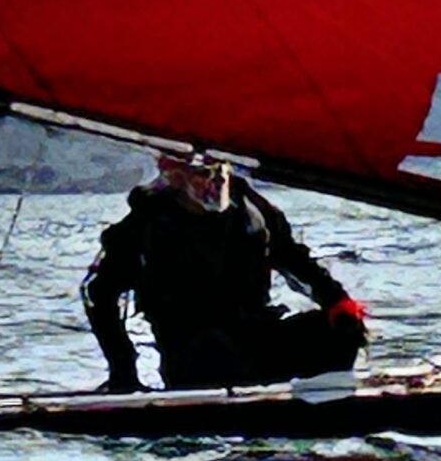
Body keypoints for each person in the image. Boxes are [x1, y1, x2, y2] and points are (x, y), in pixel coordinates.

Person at [80, 153, 369, 393]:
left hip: (257, 335)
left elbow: (294, 259)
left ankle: (326, 397)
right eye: (203, 173)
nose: (216, 182)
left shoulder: (251, 209)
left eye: (221, 172)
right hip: (195, 353)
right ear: (174, 176)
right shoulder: (145, 224)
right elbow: (97, 293)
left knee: (341, 328)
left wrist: (337, 301)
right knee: (213, 347)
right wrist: (123, 370)